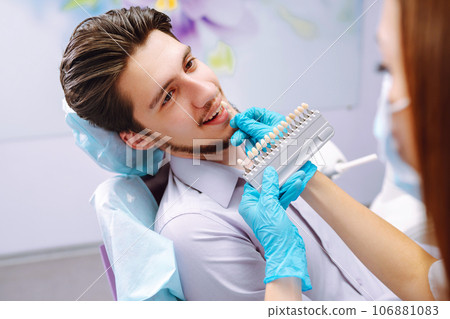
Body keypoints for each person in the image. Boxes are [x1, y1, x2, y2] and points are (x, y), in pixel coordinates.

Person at [60, 7, 399, 300]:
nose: (207, 90)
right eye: (168, 96)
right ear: (138, 139)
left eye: (190, 64)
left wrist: (304, 169)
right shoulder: (193, 231)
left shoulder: (267, 151)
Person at [233, 0, 449, 300]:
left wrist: (282, 269)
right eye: (167, 96)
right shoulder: (189, 227)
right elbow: (428, 286)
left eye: (388, 67)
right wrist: (301, 167)